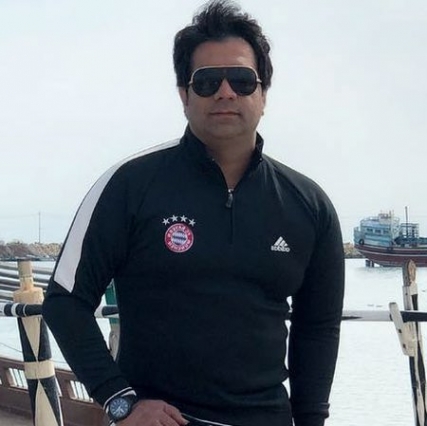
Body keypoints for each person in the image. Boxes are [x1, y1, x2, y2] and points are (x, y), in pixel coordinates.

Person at [43, 1, 345, 425]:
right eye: (206, 82)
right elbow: (65, 301)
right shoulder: (130, 185)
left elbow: (318, 327)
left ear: (263, 94)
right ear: (184, 95)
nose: (225, 92)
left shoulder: (308, 204)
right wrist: (119, 400)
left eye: (242, 80)